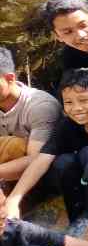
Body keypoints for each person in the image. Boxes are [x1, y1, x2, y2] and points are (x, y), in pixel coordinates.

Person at [2, 70, 88, 226]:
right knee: (63, 162)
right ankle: (77, 220)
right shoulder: (68, 125)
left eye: (83, 100)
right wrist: (14, 199)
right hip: (87, 182)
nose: (77, 108)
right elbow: (41, 160)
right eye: (69, 103)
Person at [0, 48, 62, 195]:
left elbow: (36, 160)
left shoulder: (40, 106)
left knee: (14, 146)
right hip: (7, 176)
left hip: (47, 173)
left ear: (10, 78)